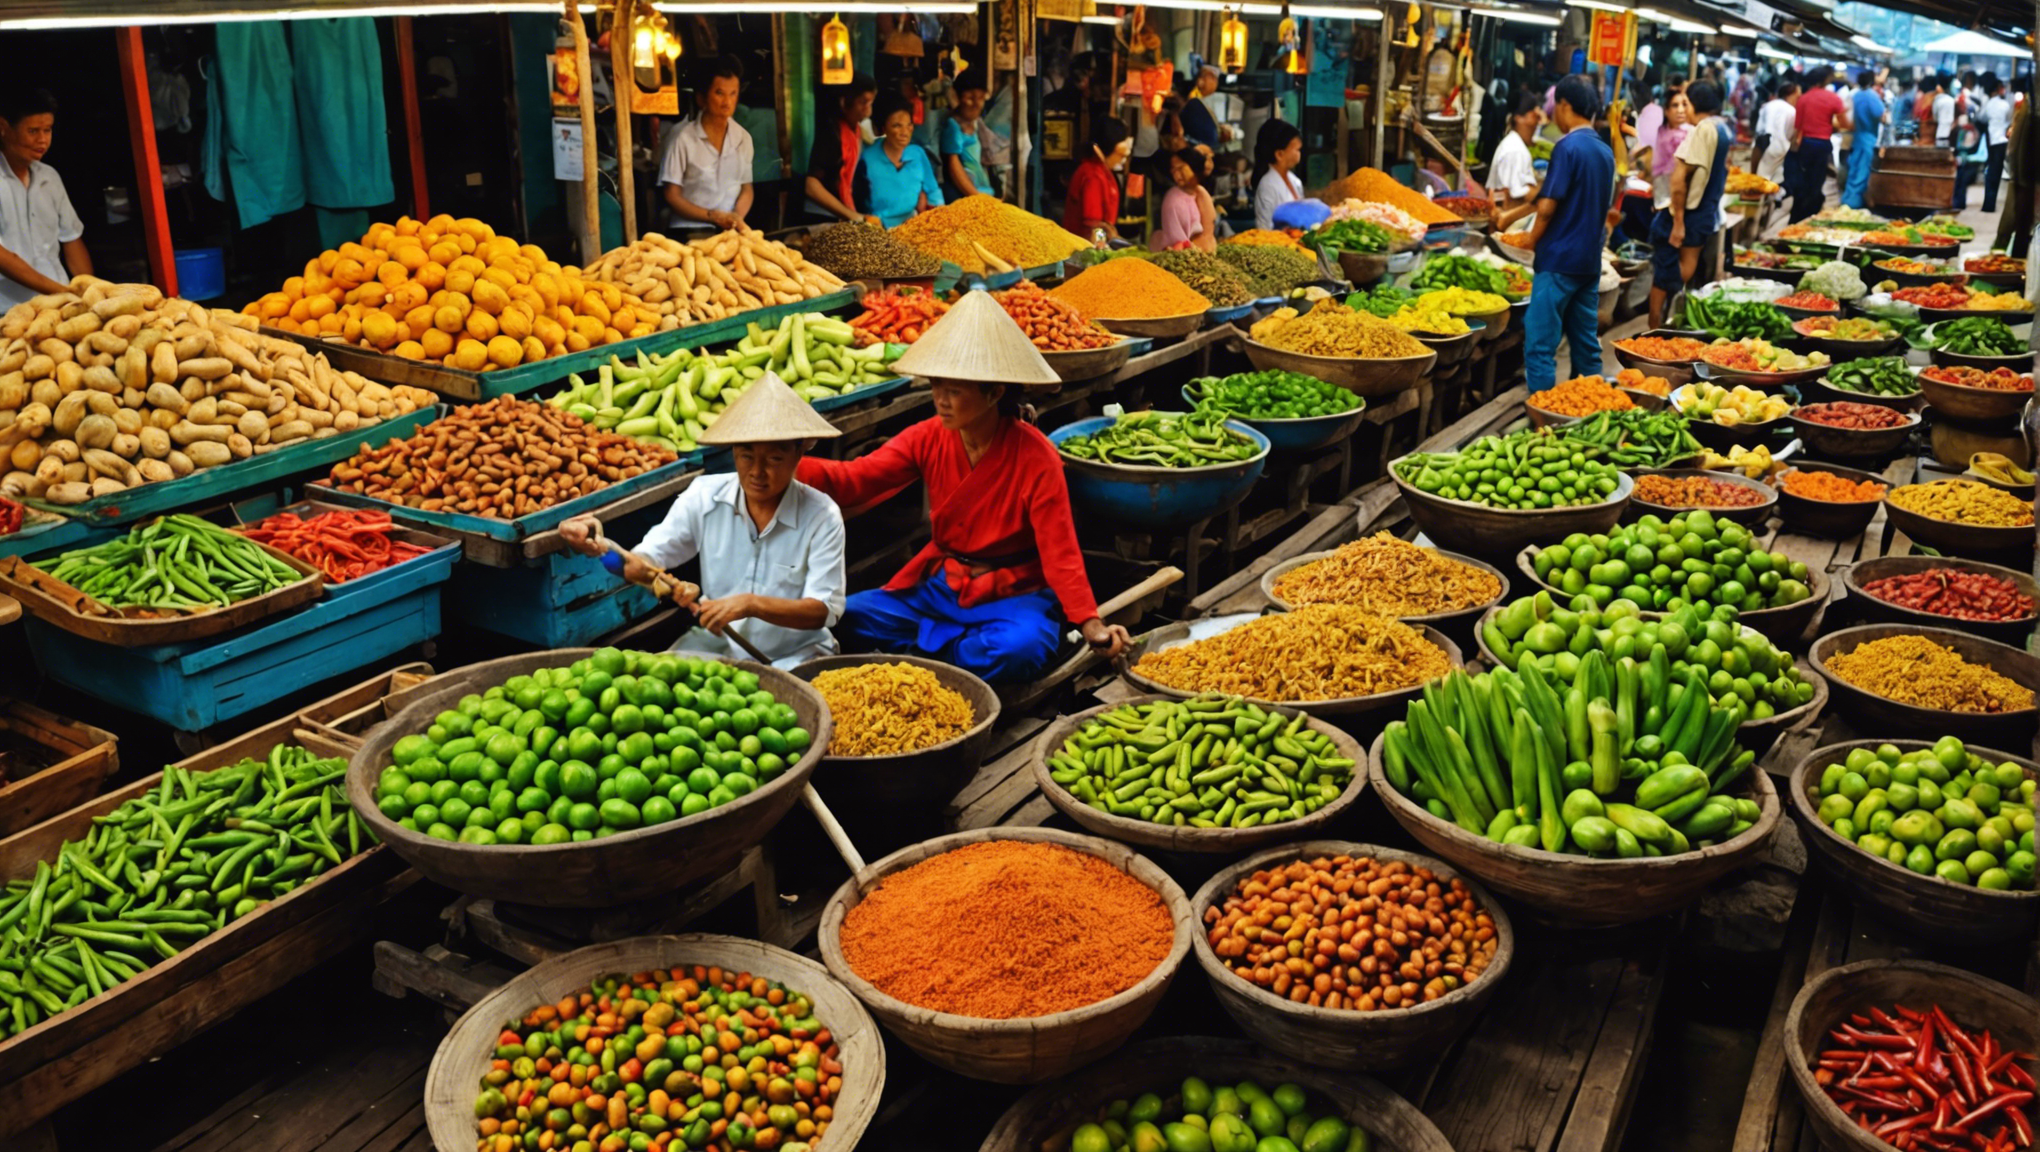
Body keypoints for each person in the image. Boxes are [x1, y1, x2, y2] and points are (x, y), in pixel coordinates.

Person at [794, 291, 1132, 682]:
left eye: (955, 391)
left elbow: (1061, 552)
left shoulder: (1036, 456)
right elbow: (856, 480)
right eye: (937, 386)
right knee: (844, 617)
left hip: (1014, 593)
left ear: (995, 393)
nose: (940, 400)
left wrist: (1090, 623)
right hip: (942, 587)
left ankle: (925, 661)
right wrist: (786, 462)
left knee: (1019, 649)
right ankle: (949, 658)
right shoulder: (928, 436)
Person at [559, 373, 846, 668]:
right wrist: (599, 547)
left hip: (798, 656)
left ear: (800, 452)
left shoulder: (821, 516)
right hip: (720, 650)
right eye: (746, 456)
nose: (757, 472)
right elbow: (635, 567)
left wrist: (751, 604)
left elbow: (825, 610)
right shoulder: (704, 497)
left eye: (774, 459)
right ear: (733, 451)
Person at [1523, 75, 1617, 394]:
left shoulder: (1567, 147)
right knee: (1586, 344)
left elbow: (1547, 208)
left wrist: (1530, 240)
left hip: (1558, 261)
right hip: (1589, 263)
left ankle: (1541, 412)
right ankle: (1590, 405)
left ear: (1564, 105)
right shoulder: (1605, 152)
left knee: (1540, 344)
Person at [1648, 80, 1732, 331]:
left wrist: (1678, 222)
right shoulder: (1722, 128)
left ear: (1694, 104)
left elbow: (1679, 179)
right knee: (1684, 268)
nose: (1683, 109)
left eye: (1686, 103)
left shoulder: (1702, 129)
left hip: (1689, 214)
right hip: (1705, 211)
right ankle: (1667, 321)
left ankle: (1655, 325)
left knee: (1666, 272)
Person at [0, 86, 87, 308]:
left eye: (47, 130)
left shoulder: (49, 177)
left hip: (60, 304)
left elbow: (71, 238)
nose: (42, 140)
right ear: (3, 128)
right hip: (9, 308)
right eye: (33, 131)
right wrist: (63, 292)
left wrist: (89, 292)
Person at [659, 57, 754, 234]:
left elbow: (746, 189)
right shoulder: (682, 138)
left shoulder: (743, 138)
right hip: (688, 229)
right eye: (719, 93)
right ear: (701, 98)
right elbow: (671, 194)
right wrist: (712, 216)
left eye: (733, 93)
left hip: (729, 231)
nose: (727, 102)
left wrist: (735, 219)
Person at [855, 94, 944, 228]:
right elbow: (859, 203)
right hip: (879, 228)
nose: (905, 132)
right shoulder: (867, 160)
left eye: (909, 125)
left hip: (913, 224)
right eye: (896, 126)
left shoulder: (917, 153)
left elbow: (933, 191)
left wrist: (939, 217)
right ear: (884, 128)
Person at [805, 74, 880, 224]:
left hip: (841, 213)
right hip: (819, 215)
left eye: (870, 103)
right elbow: (811, 185)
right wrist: (853, 216)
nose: (868, 111)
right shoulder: (831, 133)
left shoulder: (856, 131)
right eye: (863, 102)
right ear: (844, 102)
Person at [1788, 66, 1849, 223]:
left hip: (1806, 144)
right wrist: (1832, 126)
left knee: (1804, 181)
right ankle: (1811, 215)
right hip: (1823, 144)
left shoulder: (1804, 98)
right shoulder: (1833, 98)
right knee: (1817, 182)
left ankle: (1798, 216)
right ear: (1825, 80)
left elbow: (1798, 127)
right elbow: (1844, 124)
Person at [1063, 119, 1130, 240]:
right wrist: (1102, 245)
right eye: (1120, 156)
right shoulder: (1093, 176)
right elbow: (1093, 226)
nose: (1123, 160)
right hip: (1083, 245)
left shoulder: (1099, 171)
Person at [1994, 75, 2037, 256]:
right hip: (2023, 171)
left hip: (2023, 171)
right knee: (2019, 216)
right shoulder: (2027, 104)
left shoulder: (2028, 104)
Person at [1490, 91, 1543, 231]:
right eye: (1535, 116)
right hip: (1510, 229)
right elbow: (1520, 194)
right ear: (1519, 118)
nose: (1538, 122)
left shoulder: (1514, 145)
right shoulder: (1516, 150)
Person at [1151, 146, 1217, 251]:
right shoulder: (1173, 199)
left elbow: (1208, 229)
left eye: (1181, 168)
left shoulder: (1199, 192)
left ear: (1194, 166)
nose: (1177, 175)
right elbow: (1176, 240)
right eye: (1173, 171)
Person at [941, 72, 993, 199]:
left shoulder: (976, 123)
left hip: (981, 191)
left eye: (981, 98)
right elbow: (954, 167)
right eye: (970, 98)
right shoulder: (953, 126)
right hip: (964, 195)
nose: (976, 104)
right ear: (957, 97)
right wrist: (976, 196)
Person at [1251, 119, 1305, 232]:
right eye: (1297, 150)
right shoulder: (1267, 186)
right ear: (1280, 154)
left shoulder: (1295, 181)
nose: (1299, 154)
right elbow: (1264, 229)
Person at [1646, 88, 1693, 216]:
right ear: (1666, 110)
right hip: (1659, 197)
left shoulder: (1692, 133)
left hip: (1682, 199)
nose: (1681, 110)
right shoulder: (1658, 133)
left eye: (1684, 105)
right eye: (1675, 105)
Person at [1842, 70, 1885, 210]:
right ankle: (1854, 204)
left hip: (1857, 138)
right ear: (1872, 81)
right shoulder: (1872, 96)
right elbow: (1882, 116)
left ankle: (1847, 201)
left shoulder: (1855, 95)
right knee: (1862, 173)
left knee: (1854, 171)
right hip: (1868, 139)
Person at [1756, 82, 1798, 187]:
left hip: (1761, 142)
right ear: (1791, 95)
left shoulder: (1768, 105)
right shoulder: (1791, 110)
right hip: (1779, 145)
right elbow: (1790, 133)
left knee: (1757, 177)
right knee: (1768, 181)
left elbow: (1759, 128)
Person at [1983, 74, 2012, 213]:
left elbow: (1982, 118)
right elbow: (2009, 121)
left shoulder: (1988, 104)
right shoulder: (2004, 104)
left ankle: (1988, 203)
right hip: (2002, 141)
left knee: (1991, 172)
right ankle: (1991, 204)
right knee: (1997, 172)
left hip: (1991, 141)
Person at [1180, 65, 1225, 150]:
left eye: (1215, 79)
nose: (1215, 82)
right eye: (1211, 78)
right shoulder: (1194, 98)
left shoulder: (1214, 98)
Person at [1931, 74, 1957, 147]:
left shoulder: (1936, 100)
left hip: (1940, 134)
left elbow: (1935, 119)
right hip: (1950, 134)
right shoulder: (1953, 101)